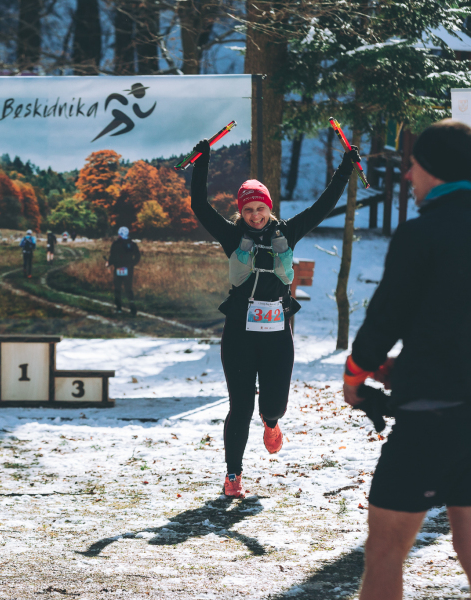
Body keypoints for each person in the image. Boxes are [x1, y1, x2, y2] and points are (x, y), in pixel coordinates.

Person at [343, 119, 471, 600]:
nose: (407, 175)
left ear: (434, 169)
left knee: (385, 550)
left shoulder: (422, 233)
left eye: (413, 165)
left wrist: (355, 378)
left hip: (432, 420)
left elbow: (385, 320)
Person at [190, 138, 359, 498]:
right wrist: (202, 162)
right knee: (240, 406)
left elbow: (323, 205)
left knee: (273, 405)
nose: (255, 215)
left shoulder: (287, 232)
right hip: (239, 331)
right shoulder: (232, 235)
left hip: (277, 332)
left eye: (261, 208)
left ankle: (271, 423)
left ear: (269, 208)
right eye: (249, 209)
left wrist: (345, 169)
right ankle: (233, 476)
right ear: (241, 211)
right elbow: (199, 206)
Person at [106, 226, 140, 316]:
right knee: (128, 288)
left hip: (118, 268)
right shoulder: (132, 244)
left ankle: (119, 308)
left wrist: (109, 263)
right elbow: (137, 256)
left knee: (118, 289)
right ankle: (132, 307)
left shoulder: (116, 244)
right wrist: (132, 264)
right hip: (129, 270)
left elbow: (112, 256)